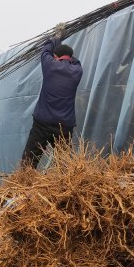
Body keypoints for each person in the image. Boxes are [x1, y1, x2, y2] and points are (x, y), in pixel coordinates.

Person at [21, 24, 83, 168]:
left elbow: (45, 50)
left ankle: (24, 185)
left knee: (28, 163)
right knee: (66, 166)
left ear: (56, 57)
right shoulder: (77, 71)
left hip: (42, 123)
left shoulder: (50, 66)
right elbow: (73, 60)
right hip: (64, 126)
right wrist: (64, 53)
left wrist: (56, 37)